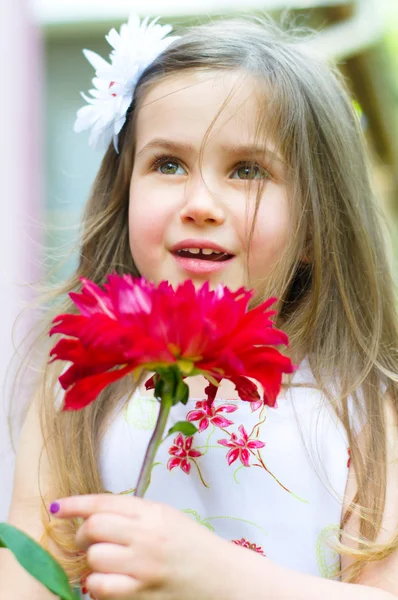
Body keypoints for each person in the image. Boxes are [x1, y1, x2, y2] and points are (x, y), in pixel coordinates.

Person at [1, 12, 398, 600]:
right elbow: (27, 581)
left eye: (247, 170)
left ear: (319, 227)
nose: (200, 203)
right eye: (168, 164)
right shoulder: (80, 384)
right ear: (122, 193)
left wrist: (215, 576)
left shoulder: (362, 398)